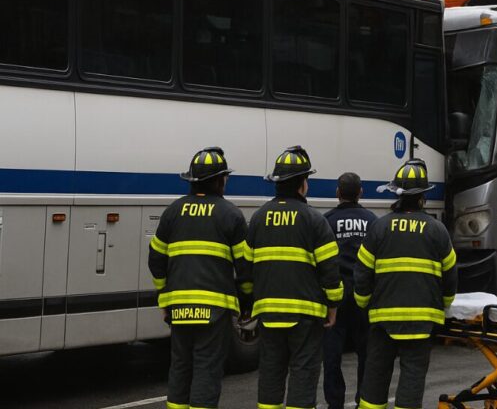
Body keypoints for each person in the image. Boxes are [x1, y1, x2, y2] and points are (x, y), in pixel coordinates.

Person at [148, 147, 251, 409]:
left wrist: (163, 297)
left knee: (180, 366)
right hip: (214, 310)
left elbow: (156, 259)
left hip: (179, 307)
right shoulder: (231, 214)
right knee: (207, 368)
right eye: (225, 178)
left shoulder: (173, 212)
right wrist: (247, 303)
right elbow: (245, 267)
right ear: (219, 181)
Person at [354, 159, 457, 409]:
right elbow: (450, 275)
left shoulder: (379, 228)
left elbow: (362, 273)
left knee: (375, 377)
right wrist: (444, 305)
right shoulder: (438, 230)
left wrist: (363, 302)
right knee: (412, 378)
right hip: (421, 321)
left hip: (383, 319)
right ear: (423, 197)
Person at [247, 146, 342, 409]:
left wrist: (249, 301)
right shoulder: (314, 220)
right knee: (303, 372)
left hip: (268, 313)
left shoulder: (258, 219)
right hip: (305, 316)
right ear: (302, 184)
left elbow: (246, 266)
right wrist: (332, 305)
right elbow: (330, 270)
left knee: (270, 371)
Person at [323, 172, 378, 409]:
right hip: (363, 294)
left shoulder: (326, 221)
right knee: (366, 352)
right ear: (360, 193)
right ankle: (363, 400)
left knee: (332, 354)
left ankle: (335, 402)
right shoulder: (373, 221)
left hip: (335, 295)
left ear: (337, 193)